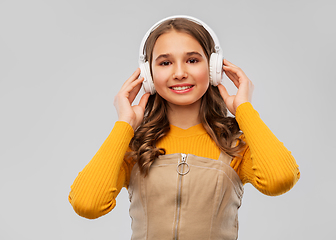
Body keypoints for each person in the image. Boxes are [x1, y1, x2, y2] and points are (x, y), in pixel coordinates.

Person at [69, 15, 300, 239]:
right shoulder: (135, 148)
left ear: (213, 68)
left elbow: (280, 179)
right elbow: (87, 204)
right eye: (165, 62)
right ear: (149, 74)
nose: (180, 73)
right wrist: (124, 125)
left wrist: (244, 109)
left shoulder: (234, 145)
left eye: (192, 60)